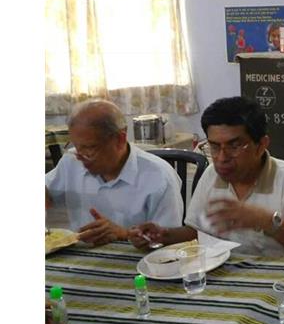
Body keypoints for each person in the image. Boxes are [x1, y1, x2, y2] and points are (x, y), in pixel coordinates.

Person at [133, 96, 284, 258]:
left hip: (279, 283)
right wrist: (163, 235)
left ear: (261, 145)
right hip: (223, 279)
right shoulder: (211, 175)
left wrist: (268, 221)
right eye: (214, 146)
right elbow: (196, 233)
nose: (222, 158)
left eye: (234, 146)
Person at [45, 100, 183, 247]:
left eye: (90, 147)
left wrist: (124, 234)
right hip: (79, 258)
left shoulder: (160, 177)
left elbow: (170, 244)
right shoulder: (71, 161)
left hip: (139, 264)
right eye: (76, 146)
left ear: (120, 140)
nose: (81, 155)